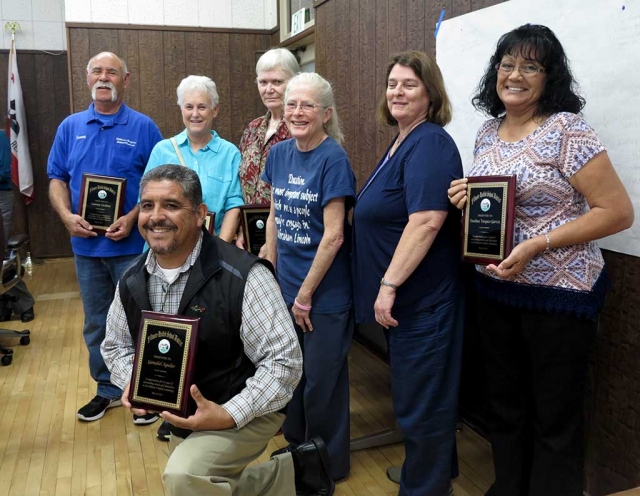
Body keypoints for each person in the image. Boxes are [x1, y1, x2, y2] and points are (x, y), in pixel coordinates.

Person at [447, 24, 634, 496]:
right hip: (496, 288)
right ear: (495, 72)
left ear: (549, 78)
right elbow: (500, 200)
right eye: (507, 64)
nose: (515, 74)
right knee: (505, 407)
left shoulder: (567, 129)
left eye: (530, 66)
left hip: (558, 296)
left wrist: (538, 244)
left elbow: (617, 212)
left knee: (555, 414)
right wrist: (467, 196)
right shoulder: (489, 131)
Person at [101, 164, 335, 496]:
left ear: (200, 214)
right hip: (184, 410)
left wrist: (228, 414)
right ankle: (295, 475)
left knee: (183, 477)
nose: (155, 216)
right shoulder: (132, 278)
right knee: (198, 485)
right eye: (148, 205)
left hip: (248, 404)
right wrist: (134, 382)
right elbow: (116, 347)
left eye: (171, 205)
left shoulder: (244, 275)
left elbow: (284, 364)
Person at [352, 51, 464, 496]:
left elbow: (427, 221)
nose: (397, 92)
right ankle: (436, 470)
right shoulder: (402, 140)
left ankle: (426, 487)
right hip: (408, 301)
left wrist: (389, 284)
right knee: (422, 391)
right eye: (392, 83)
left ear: (430, 94)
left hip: (423, 298)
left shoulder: (430, 142)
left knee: (423, 400)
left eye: (409, 85)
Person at [48, 52, 162, 423]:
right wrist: (66, 216)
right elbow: (57, 179)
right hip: (86, 248)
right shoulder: (70, 127)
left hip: (131, 246)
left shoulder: (144, 127)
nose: (104, 76)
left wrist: (133, 218)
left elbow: (158, 186)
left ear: (125, 79)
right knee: (97, 321)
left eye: (111, 71)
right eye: (97, 70)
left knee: (140, 318)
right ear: (87, 78)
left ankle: (147, 391)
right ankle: (108, 389)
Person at [262, 72, 356, 484]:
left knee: (322, 383)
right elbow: (273, 215)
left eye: (307, 106)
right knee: (293, 376)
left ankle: (327, 466)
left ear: (326, 114)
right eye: (291, 105)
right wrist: (269, 256)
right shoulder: (279, 154)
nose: (297, 112)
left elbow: (334, 234)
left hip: (324, 295)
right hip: (288, 287)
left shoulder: (333, 158)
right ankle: (301, 451)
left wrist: (304, 294)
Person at [144, 75, 243, 242]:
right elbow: (145, 201)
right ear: (181, 109)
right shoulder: (162, 151)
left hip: (212, 246)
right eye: (189, 107)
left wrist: (219, 251)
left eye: (202, 107)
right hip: (166, 248)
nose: (195, 114)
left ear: (215, 109)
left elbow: (233, 206)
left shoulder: (230, 154)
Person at [236, 47, 300, 251]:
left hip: (289, 239)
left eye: (277, 82)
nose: (268, 89)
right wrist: (240, 230)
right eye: (263, 82)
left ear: (294, 82)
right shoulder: (253, 129)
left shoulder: (301, 129)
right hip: (248, 237)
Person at [0, 129, 35, 323]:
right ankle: (4, 304)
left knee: (1, 255)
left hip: (1, 198)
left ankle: (24, 302)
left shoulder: (0, 137)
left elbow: (5, 171)